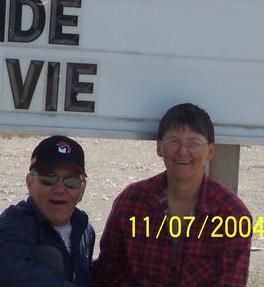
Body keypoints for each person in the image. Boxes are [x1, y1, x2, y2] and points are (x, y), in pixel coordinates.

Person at [91, 103, 253, 286]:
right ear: (159, 147)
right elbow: (107, 272)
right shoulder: (132, 202)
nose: (183, 152)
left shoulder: (232, 215)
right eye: (174, 141)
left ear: (210, 151)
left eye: (194, 143)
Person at [0, 135, 95, 287]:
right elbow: (11, 273)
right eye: (49, 179)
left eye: (71, 181)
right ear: (29, 182)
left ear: (82, 189)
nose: (59, 189)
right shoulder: (11, 225)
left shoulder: (84, 229)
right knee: (49, 257)